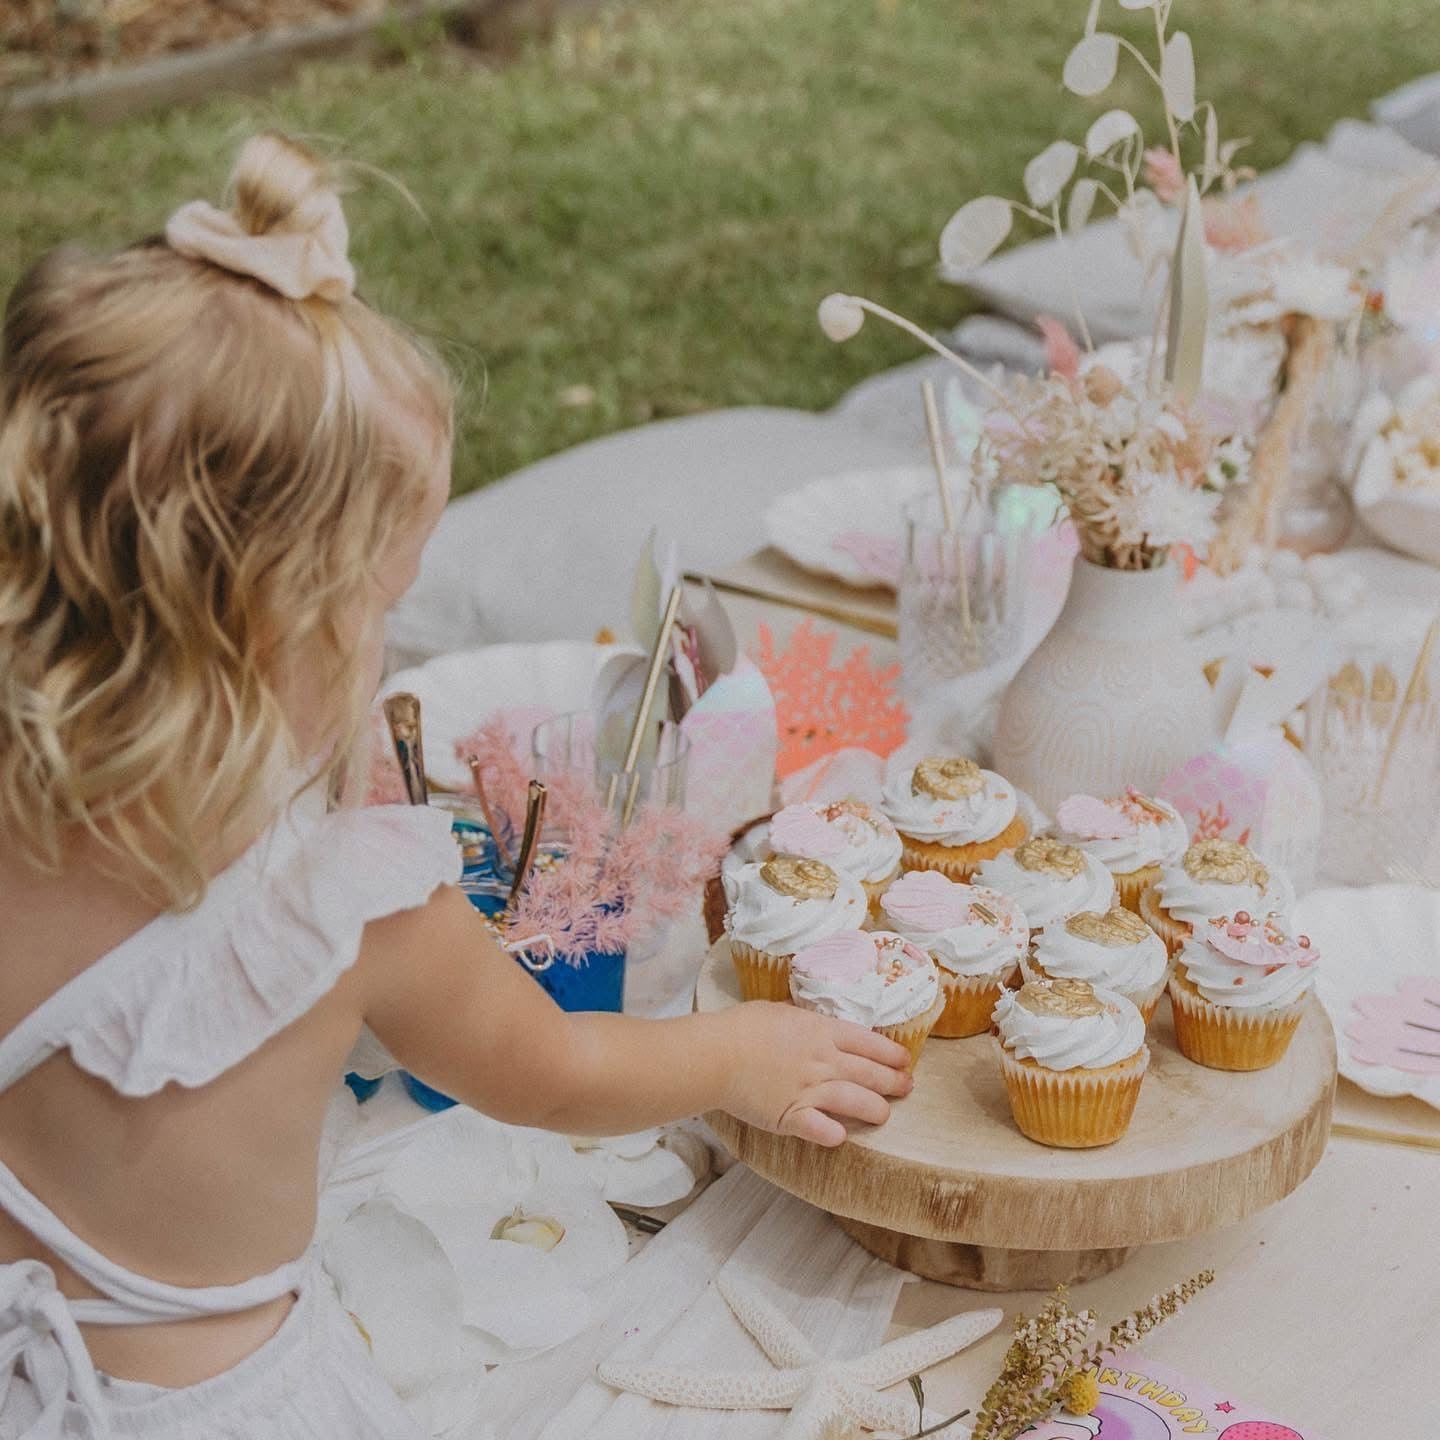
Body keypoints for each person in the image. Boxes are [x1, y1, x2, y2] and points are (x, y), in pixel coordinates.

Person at [0, 133, 914, 1438]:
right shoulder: (343, 892)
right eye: (379, 604)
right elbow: (552, 1070)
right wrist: (742, 1054)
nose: (386, 637)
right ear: (274, 622)